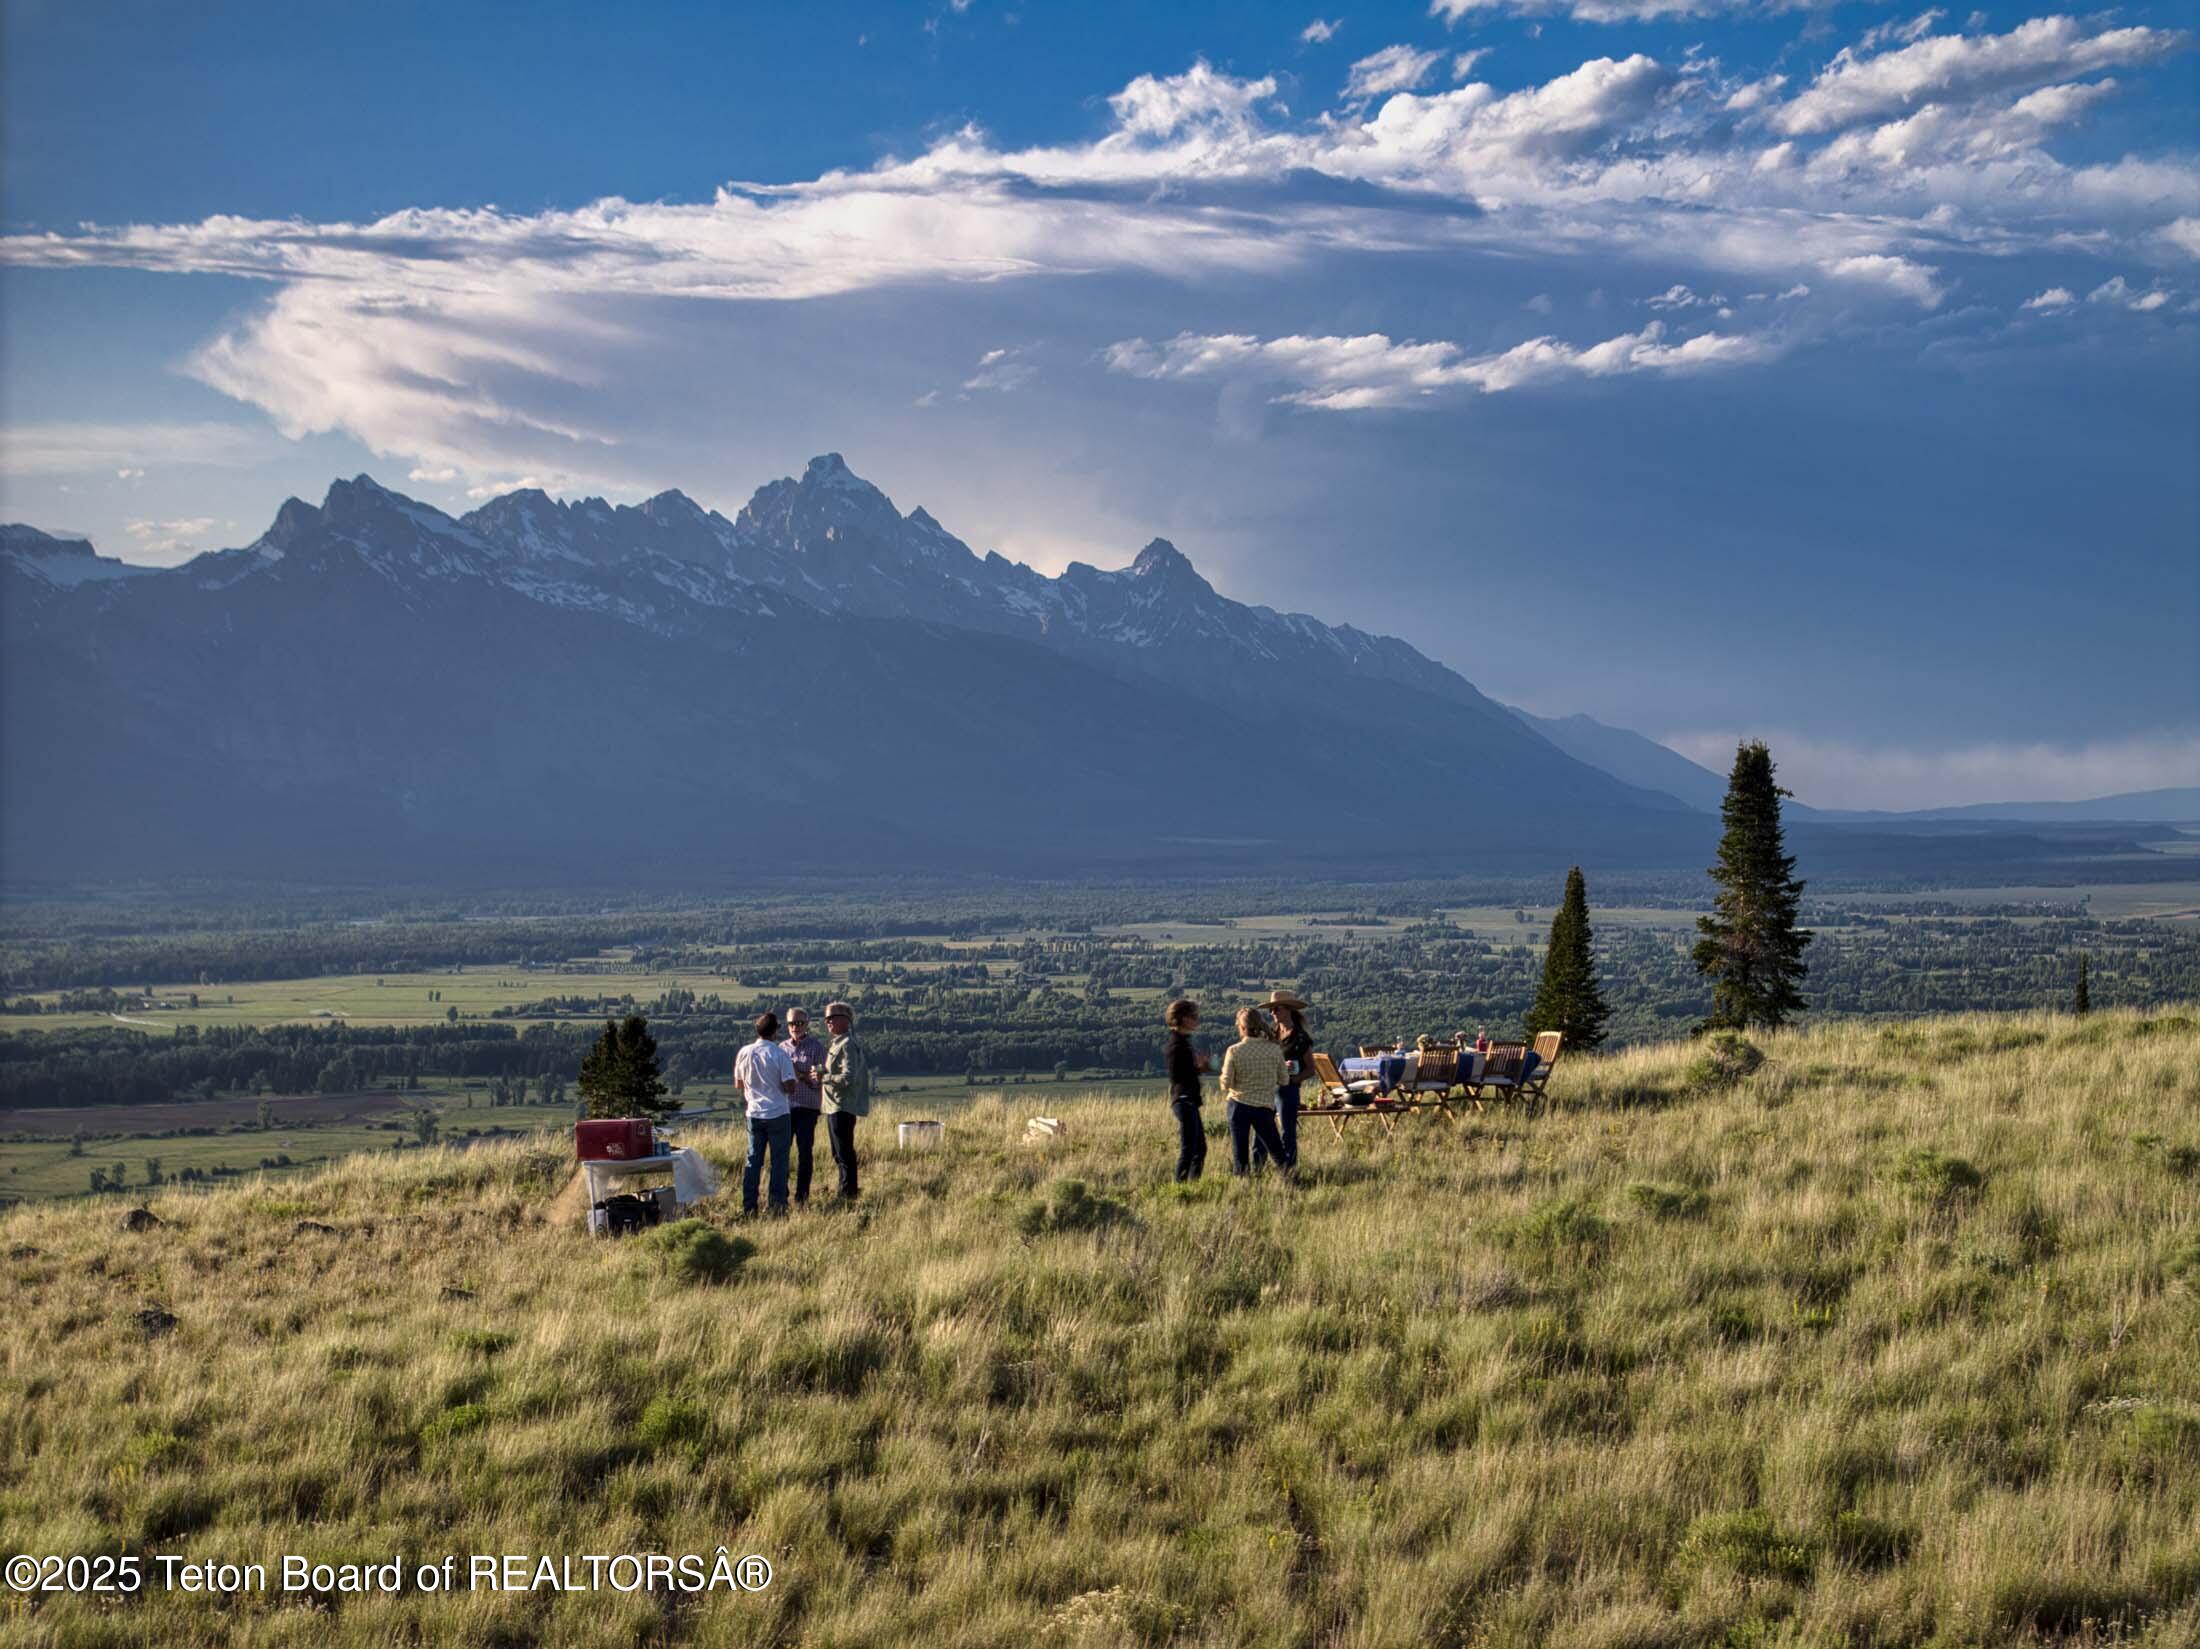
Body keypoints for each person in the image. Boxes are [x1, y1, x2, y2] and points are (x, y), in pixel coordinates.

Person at [734, 1011, 798, 1215]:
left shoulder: (744, 1052)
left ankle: (749, 1205)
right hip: (778, 1112)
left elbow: (738, 1083)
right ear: (775, 1031)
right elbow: (789, 1087)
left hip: (754, 1112)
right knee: (779, 1161)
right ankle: (777, 1205)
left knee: (753, 1160)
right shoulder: (780, 1054)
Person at [1220, 1006, 1291, 1177]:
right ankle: (1290, 1180)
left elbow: (1226, 1083)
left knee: (1240, 1155)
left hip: (1238, 1105)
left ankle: (1243, 1187)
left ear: (1242, 1027)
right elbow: (1284, 1080)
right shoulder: (1274, 1049)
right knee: (1277, 1152)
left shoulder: (1234, 1051)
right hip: (1264, 1106)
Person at [819, 1000, 871, 1201]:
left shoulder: (847, 1044)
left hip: (841, 1105)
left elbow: (848, 1078)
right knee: (839, 1152)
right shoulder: (838, 1043)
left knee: (843, 1153)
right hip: (834, 1105)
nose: (828, 1022)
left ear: (846, 1020)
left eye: (832, 1018)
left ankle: (848, 1192)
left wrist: (823, 1077)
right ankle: (846, 1190)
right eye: (826, 1019)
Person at [1261, 989, 1313, 1171]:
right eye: (1271, 1010)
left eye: (1276, 1009)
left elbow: (1310, 1069)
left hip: (1287, 1090)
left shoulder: (1300, 1037)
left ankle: (1288, 1170)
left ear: (1288, 1010)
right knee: (1261, 1131)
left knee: (1287, 1132)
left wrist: (1294, 1079)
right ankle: (1258, 1167)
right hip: (1268, 1088)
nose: (1272, 1013)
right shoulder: (1271, 1034)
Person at [781, 1006, 826, 1207]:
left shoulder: (817, 1048)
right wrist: (803, 1075)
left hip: (807, 1107)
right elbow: (779, 1079)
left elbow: (818, 1080)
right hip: (785, 1108)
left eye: (799, 1023)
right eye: (791, 1023)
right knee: (782, 1152)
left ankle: (802, 1196)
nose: (795, 1027)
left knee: (804, 1153)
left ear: (807, 1024)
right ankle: (781, 1194)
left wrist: (797, 1074)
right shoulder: (781, 1048)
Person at [1163, 998, 1209, 1181]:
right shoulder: (1177, 1045)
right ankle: (1182, 1187)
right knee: (1191, 1149)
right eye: (1193, 1015)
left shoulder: (1182, 1042)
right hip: (1184, 1098)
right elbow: (1177, 1075)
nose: (1196, 1019)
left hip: (1186, 1099)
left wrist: (1198, 1067)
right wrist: (1197, 1067)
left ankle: (1188, 1185)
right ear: (1182, 1018)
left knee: (1197, 1148)